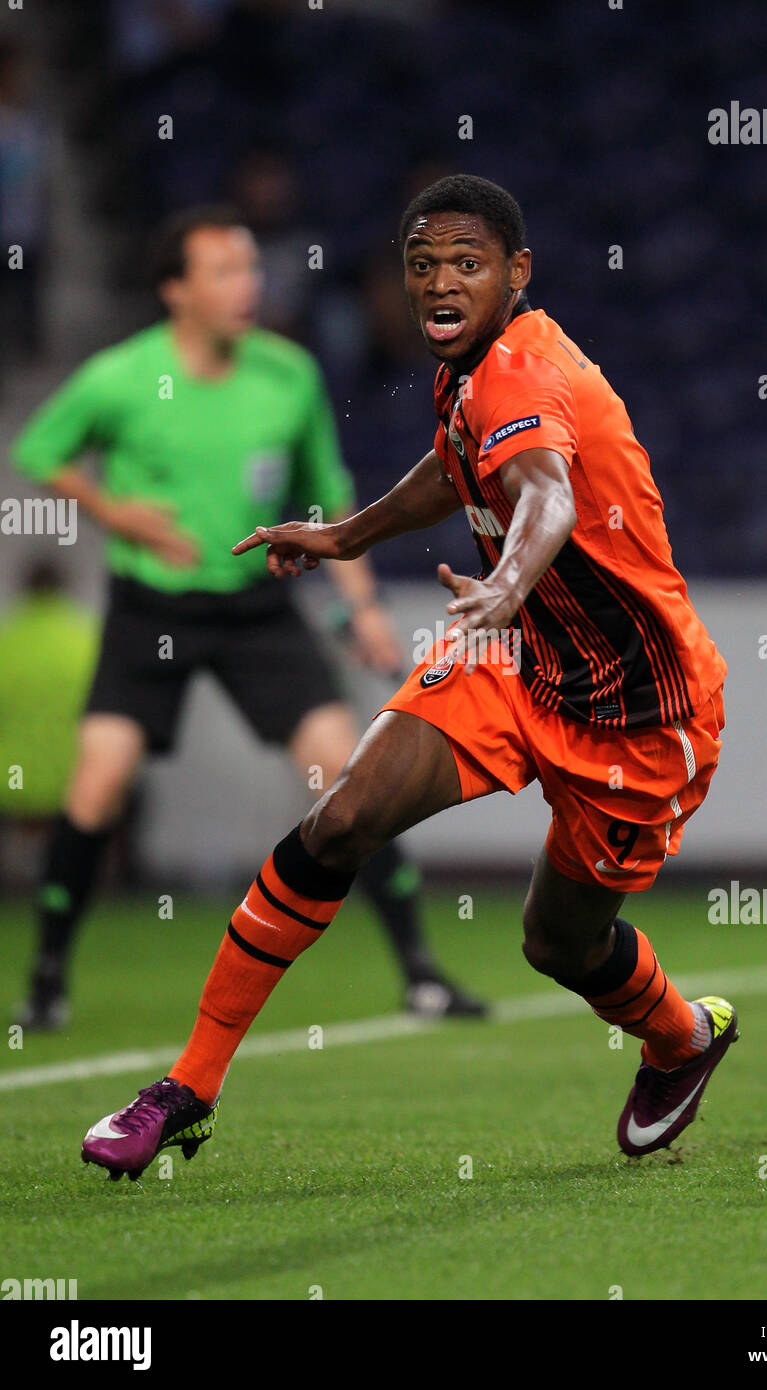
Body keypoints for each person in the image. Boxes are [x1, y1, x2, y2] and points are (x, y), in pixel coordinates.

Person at [81, 174, 734, 1181]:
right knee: (342, 816)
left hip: (641, 714)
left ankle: (683, 1036)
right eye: (423, 264)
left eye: (467, 263)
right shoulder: (467, 374)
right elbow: (452, 467)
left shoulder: (519, 371)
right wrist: (345, 533)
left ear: (516, 274)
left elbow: (547, 499)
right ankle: (189, 1086)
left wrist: (509, 583)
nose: (439, 281)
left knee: (558, 944)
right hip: (515, 663)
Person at [11, 204, 485, 1031]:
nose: (247, 286)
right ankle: (47, 980)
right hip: (149, 606)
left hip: (259, 607)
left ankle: (422, 974)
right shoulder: (121, 376)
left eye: (250, 270)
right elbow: (40, 454)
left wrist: (362, 607)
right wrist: (116, 512)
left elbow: (332, 500)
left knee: (351, 778)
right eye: (224, 272)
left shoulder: (287, 374)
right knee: (97, 783)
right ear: (175, 290)